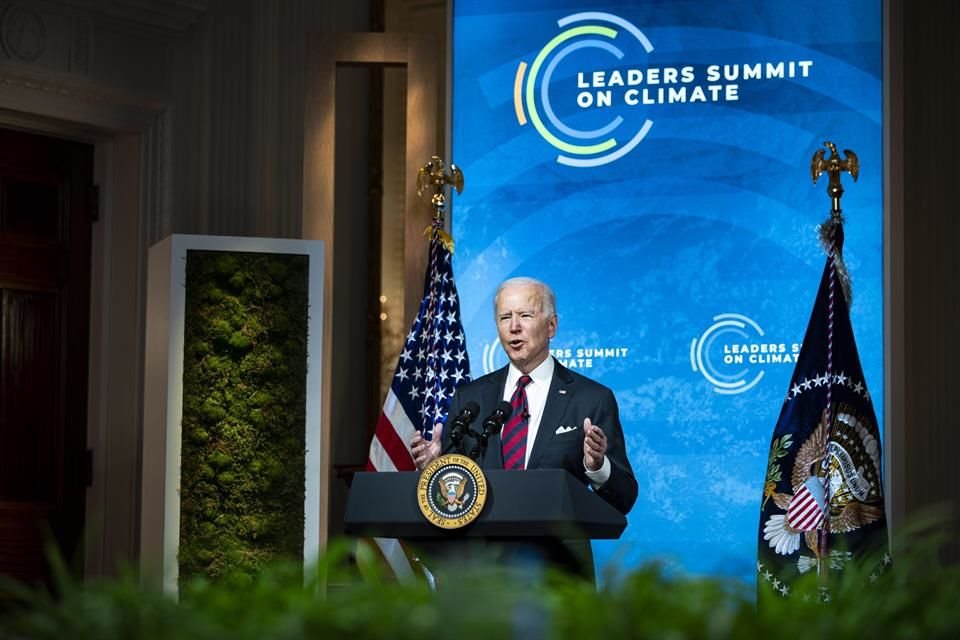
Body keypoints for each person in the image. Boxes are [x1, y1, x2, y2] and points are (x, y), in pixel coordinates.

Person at [410, 276, 638, 577]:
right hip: (481, 576)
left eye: (525, 315)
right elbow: (454, 496)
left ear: (552, 326)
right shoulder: (470, 398)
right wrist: (436, 466)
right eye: (505, 317)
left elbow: (623, 498)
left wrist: (597, 466)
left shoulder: (591, 399)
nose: (513, 326)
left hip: (559, 578)